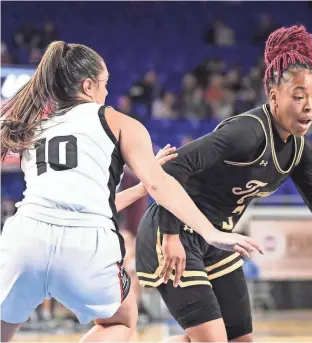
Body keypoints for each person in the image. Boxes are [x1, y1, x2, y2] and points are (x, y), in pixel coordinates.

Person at [116, 26, 312, 342]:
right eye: (299, 96)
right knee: (211, 340)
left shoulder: (300, 151)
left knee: (241, 341)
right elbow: (173, 167)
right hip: (173, 230)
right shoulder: (247, 132)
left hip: (216, 239)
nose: (309, 106)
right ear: (275, 96)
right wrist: (170, 237)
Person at [0, 41, 262, 342]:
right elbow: (159, 184)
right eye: (104, 84)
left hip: (25, 238)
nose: (107, 92)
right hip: (85, 244)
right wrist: (210, 232)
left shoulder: (34, 125)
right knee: (120, 323)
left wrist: (137, 191)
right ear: (88, 86)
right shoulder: (117, 121)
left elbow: (82, 200)